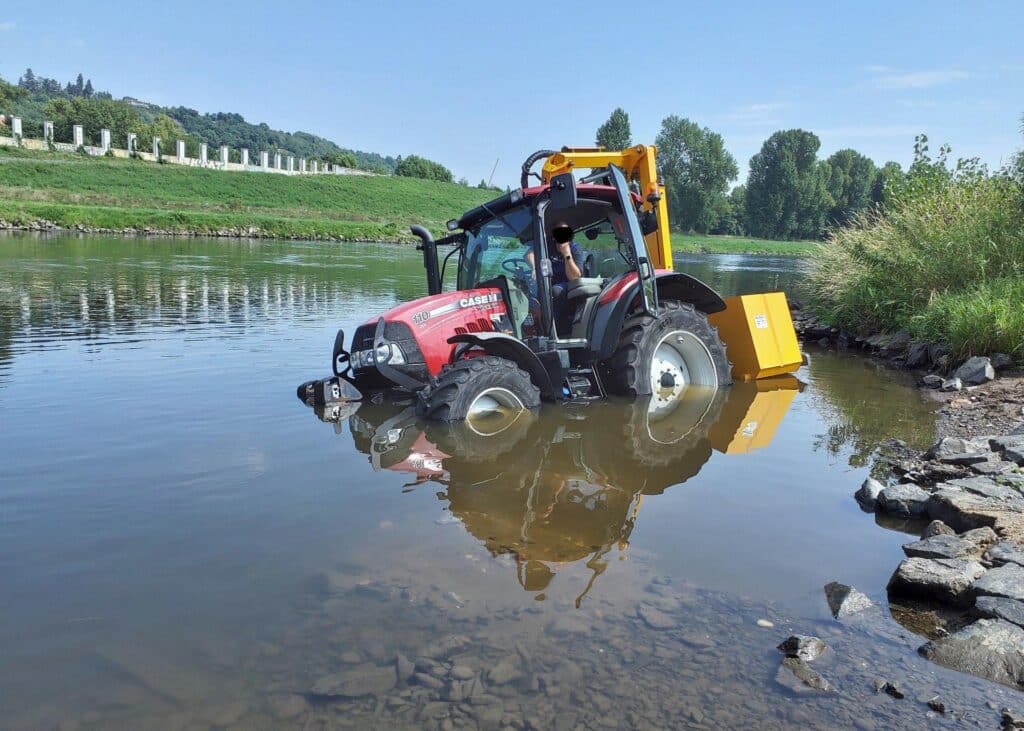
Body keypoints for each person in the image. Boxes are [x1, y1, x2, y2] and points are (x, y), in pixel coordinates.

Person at [525, 222, 584, 335]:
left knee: (556, 290)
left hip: (568, 284)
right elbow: (529, 254)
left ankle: (550, 328)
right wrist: (535, 268)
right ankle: (532, 326)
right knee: (529, 293)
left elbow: (574, 277)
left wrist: (567, 254)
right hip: (547, 281)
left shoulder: (575, 249)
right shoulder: (548, 245)